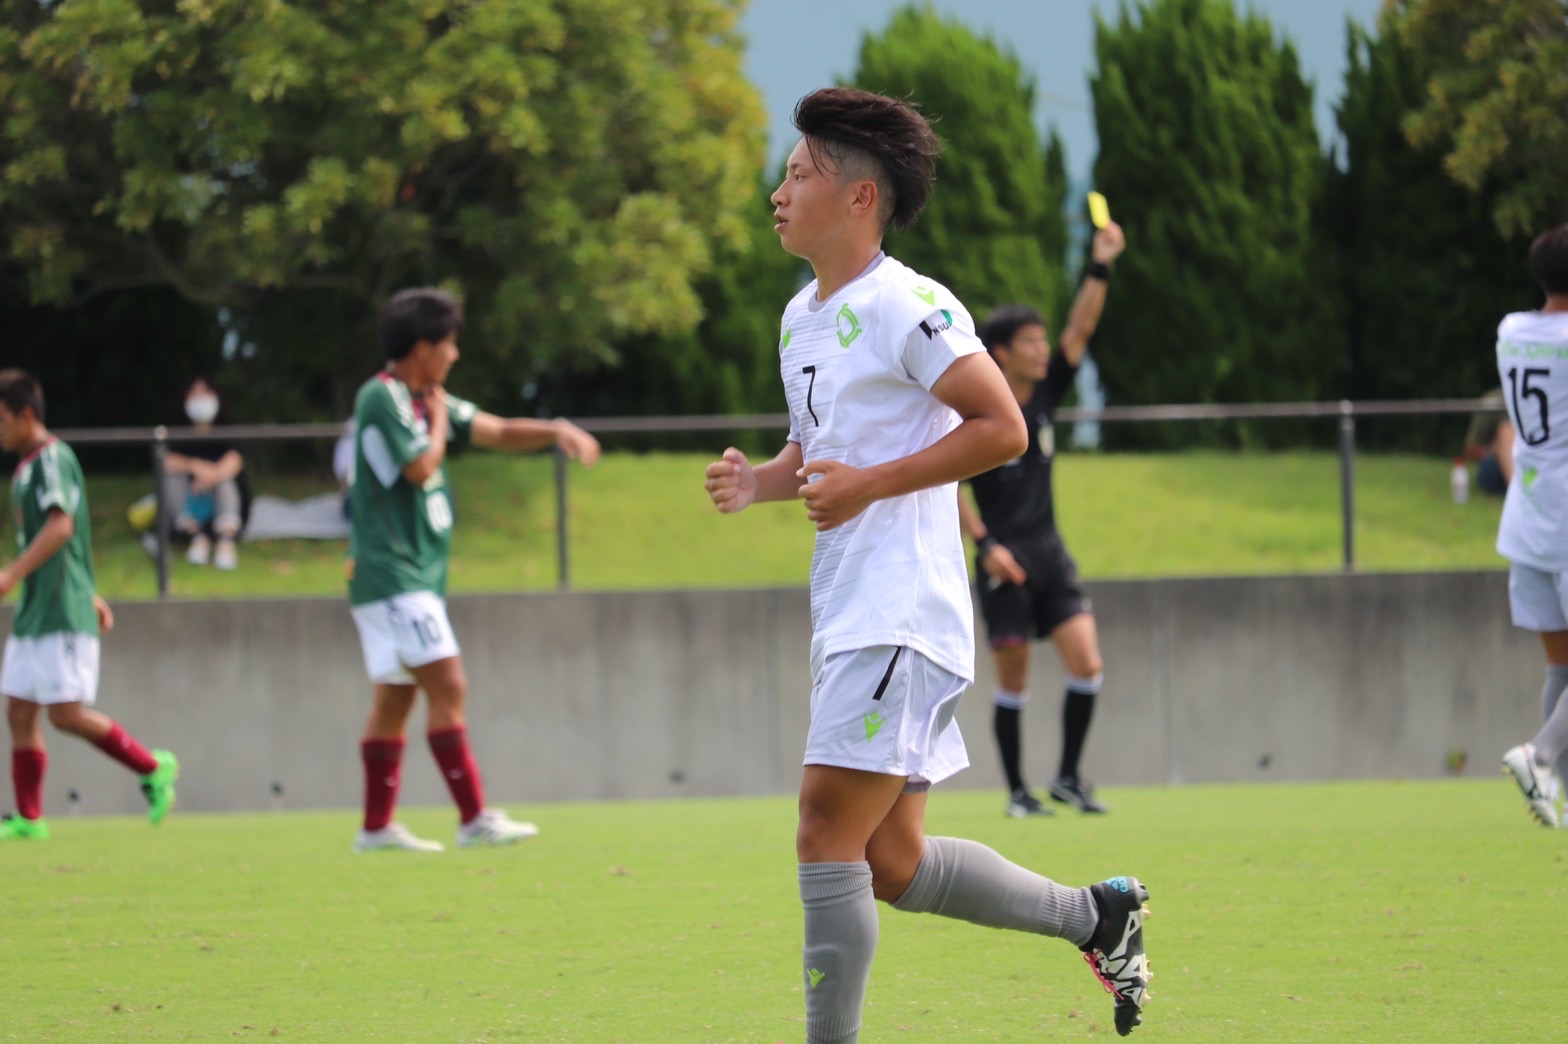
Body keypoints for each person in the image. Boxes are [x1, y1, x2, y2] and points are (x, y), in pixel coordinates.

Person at [702, 88, 1152, 1041]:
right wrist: (763, 483)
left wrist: (870, 486)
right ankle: (1097, 915)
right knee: (893, 862)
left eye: (797, 175)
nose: (776, 192)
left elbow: (1004, 428)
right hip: (852, 611)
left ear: (861, 199)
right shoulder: (801, 317)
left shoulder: (909, 303)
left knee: (826, 831)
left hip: (900, 610)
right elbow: (819, 450)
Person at [346, 287, 601, 853]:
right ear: (421, 348)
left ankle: (375, 829)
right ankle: (473, 818)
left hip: (402, 578)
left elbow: (499, 430)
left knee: (396, 698)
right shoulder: (383, 397)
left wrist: (555, 429)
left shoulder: (425, 399)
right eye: (449, 343)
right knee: (448, 682)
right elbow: (418, 466)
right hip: (395, 574)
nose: (455, 355)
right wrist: (438, 422)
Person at [956, 223, 1127, 818]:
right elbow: (944, 483)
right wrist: (984, 546)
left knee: (1088, 663)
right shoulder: (974, 408)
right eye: (1030, 341)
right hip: (1004, 557)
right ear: (1001, 351)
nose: (1041, 348)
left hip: (1049, 550)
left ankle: (1068, 779)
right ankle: (1017, 794)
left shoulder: (1046, 392)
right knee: (1014, 681)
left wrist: (1100, 263)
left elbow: (1082, 328)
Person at [0, 370, 179, 840]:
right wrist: (90, 590)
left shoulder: (55, 459)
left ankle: (151, 766)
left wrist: (11, 575)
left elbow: (61, 527)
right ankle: (30, 820)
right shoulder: (25, 468)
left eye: (0, 419)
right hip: (37, 609)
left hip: (59, 610)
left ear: (26, 415)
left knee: (65, 714)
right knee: (19, 709)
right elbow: (71, 543)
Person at [1499, 223, 1568, 828]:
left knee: (1561, 664)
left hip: (1528, 513)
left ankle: (1550, 792)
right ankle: (1541, 754)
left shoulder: (1511, 331)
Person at [162, 376, 251, 569]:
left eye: (205, 393)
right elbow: (166, 461)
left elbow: (234, 462)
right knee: (171, 479)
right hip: (192, 502)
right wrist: (195, 466)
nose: (200, 399)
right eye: (195, 393)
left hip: (223, 499)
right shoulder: (177, 433)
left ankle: (226, 542)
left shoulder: (229, 430)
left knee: (226, 481)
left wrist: (208, 477)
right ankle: (197, 537)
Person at [1463, 388, 1514, 496]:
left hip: (1538, 463)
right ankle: (1518, 493)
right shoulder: (1494, 400)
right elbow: (1471, 450)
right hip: (1498, 471)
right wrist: (1498, 448)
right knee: (1507, 431)